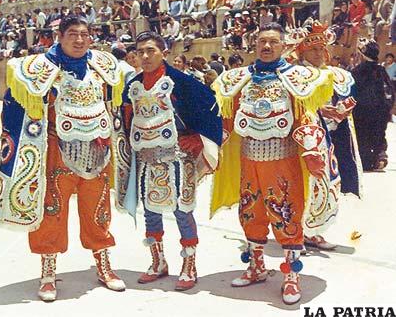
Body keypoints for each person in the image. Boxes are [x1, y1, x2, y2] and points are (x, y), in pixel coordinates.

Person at [0, 15, 127, 302]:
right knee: (52, 211)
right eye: (72, 34)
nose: (79, 40)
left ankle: (103, 265)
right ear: (60, 36)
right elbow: (15, 108)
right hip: (57, 150)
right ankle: (49, 272)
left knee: (98, 209)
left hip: (98, 148)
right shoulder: (37, 69)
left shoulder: (104, 66)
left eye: (84, 34)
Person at [210, 23, 334, 304]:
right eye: (261, 42)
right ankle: (256, 266)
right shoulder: (239, 79)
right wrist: (210, 149)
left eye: (273, 42)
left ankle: (291, 275)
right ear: (254, 45)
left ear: (282, 46)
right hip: (248, 159)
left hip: (284, 160)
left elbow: (306, 117)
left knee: (287, 214)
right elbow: (227, 120)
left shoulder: (295, 78)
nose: (266, 47)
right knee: (250, 212)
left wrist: (312, 151)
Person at [120, 31, 222, 291]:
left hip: (178, 159)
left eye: (151, 50)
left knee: (182, 211)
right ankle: (158, 262)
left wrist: (199, 139)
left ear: (164, 53)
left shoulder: (182, 82)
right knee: (151, 213)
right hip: (146, 160)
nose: (145, 56)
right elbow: (126, 119)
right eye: (140, 51)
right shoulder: (132, 85)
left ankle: (189, 266)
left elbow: (212, 108)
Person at [293, 19, 362, 250]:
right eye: (313, 48)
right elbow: (295, 103)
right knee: (301, 184)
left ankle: (313, 231)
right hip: (302, 140)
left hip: (329, 138)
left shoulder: (336, 74)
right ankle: (296, 232)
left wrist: (343, 111)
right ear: (302, 51)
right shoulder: (294, 75)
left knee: (327, 184)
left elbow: (344, 99)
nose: (320, 52)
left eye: (322, 48)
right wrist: (321, 110)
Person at [352, 38, 395, 171]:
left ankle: (367, 161)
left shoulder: (357, 71)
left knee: (363, 136)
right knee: (379, 135)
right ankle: (380, 156)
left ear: (362, 55)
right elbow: (389, 90)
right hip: (381, 111)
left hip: (362, 112)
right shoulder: (381, 70)